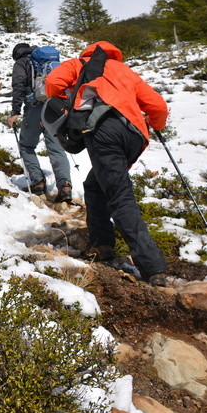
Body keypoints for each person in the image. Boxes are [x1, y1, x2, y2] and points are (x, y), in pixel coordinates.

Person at [44, 40, 170, 286]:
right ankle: (102, 244)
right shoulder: (125, 71)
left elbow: (52, 83)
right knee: (95, 184)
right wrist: (156, 124)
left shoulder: (77, 64)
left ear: (88, 53)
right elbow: (157, 106)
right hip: (134, 135)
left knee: (120, 195)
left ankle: (153, 266)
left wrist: (64, 107)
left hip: (103, 130)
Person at [6, 43, 73, 203]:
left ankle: (37, 183)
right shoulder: (46, 60)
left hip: (35, 107)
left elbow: (19, 85)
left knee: (26, 146)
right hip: (54, 106)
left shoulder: (21, 63)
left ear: (16, 54)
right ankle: (65, 186)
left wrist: (15, 111)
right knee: (56, 148)